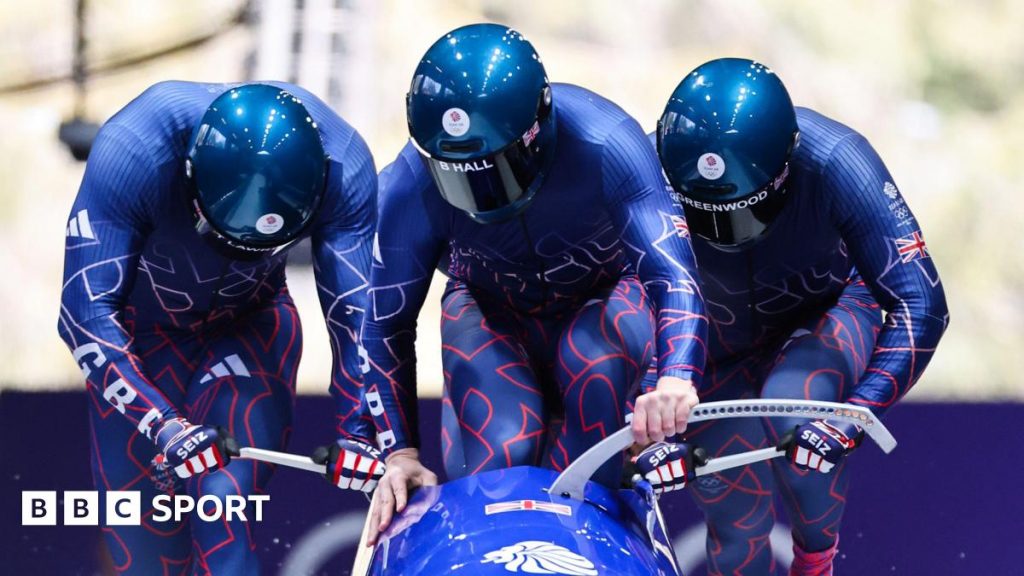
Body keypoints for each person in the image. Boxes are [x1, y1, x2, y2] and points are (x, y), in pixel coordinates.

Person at [361, 23, 709, 543]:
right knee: (503, 452)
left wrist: (675, 377)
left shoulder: (608, 143)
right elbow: (386, 325)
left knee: (589, 421)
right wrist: (399, 454)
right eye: (459, 175)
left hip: (601, 302)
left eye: (497, 167)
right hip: (489, 310)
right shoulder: (409, 184)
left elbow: (673, 274)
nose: (482, 193)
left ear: (539, 126)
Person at [57, 81, 384, 574]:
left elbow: (359, 316)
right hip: (139, 340)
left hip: (249, 323)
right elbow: (82, 310)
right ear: (189, 179)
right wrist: (163, 423)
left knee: (220, 503)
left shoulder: (345, 166)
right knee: (144, 558)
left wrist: (359, 431)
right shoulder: (135, 148)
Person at [646, 58, 949, 575]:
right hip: (712, 343)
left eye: (745, 207)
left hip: (826, 312)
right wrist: (652, 427)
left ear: (789, 159)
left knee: (798, 408)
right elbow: (622, 300)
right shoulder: (642, 167)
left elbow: (921, 303)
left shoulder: (839, 161)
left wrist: (852, 415)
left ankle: (816, 561)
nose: (725, 229)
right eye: (705, 213)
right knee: (736, 535)